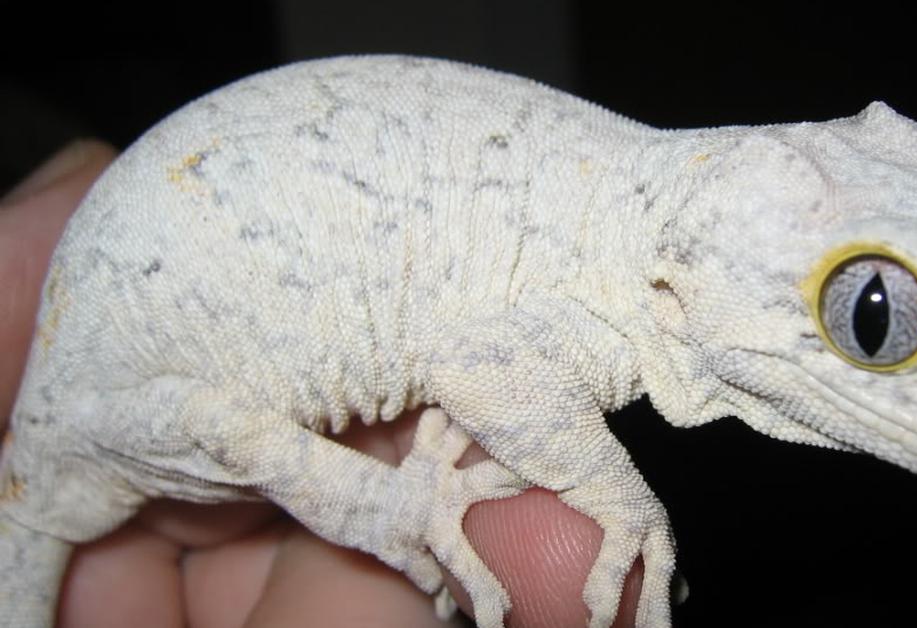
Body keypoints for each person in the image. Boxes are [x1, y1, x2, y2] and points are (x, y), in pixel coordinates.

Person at [0, 141, 642, 627]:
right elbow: (469, 367)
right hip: (101, 414)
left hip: (115, 402)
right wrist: (399, 510)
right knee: (225, 426)